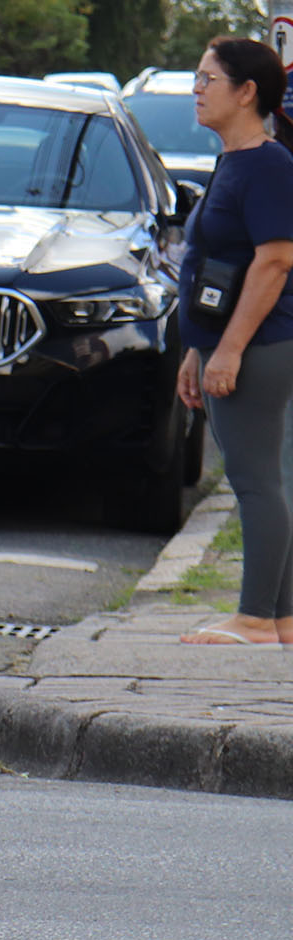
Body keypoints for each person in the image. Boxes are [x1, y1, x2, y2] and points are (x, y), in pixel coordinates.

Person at [178, 35, 293, 644]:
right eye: (196, 79)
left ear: (247, 92)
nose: (196, 90)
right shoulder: (235, 160)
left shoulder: (269, 166)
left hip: (259, 346)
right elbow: (217, 266)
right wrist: (197, 350)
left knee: (254, 481)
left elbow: (274, 262)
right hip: (228, 344)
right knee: (261, 479)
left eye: (208, 79)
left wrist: (228, 350)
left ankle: (254, 617)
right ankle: (283, 619)